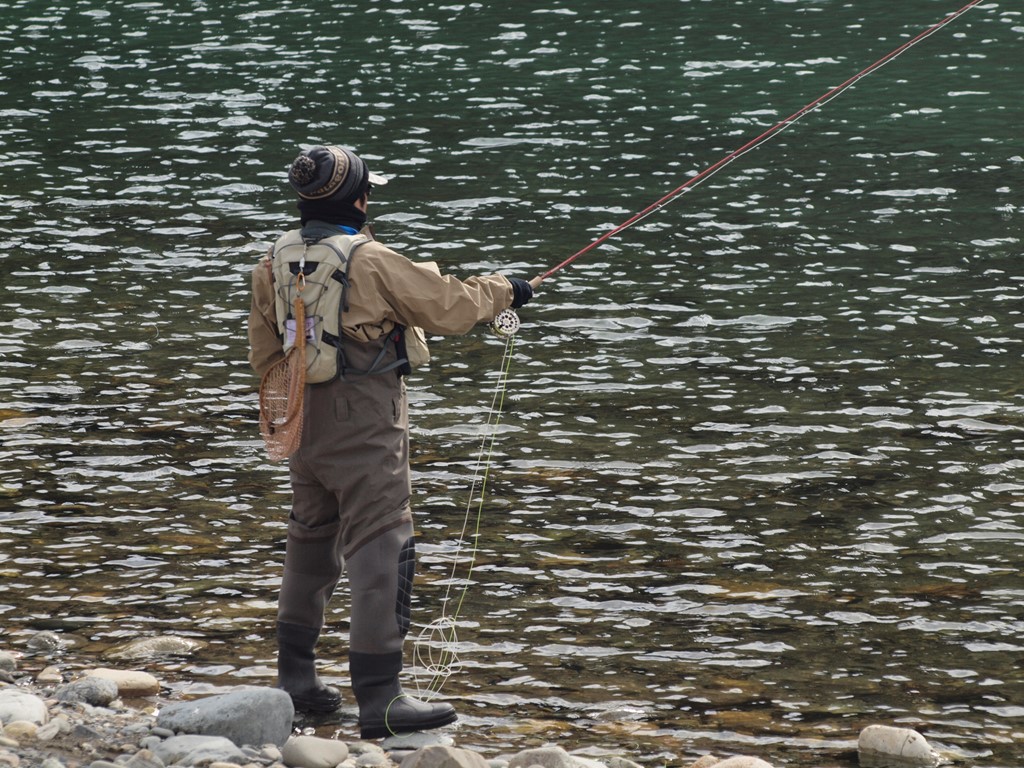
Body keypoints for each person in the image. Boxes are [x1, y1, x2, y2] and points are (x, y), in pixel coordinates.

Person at [247, 144, 534, 739]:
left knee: (310, 533)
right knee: (383, 542)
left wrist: (287, 417)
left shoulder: (271, 261)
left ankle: (295, 680)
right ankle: (380, 701)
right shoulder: (371, 259)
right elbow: (452, 307)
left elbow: (264, 354)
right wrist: (506, 288)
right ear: (359, 197)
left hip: (301, 414)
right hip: (365, 417)